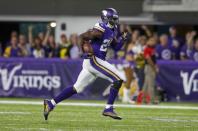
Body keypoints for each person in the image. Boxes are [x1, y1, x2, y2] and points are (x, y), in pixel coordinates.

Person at [43, 8, 128, 120]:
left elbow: (116, 47)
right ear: (106, 18)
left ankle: (50, 103)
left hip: (94, 62)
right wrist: (82, 50)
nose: (115, 20)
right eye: (113, 18)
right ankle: (108, 109)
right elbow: (82, 37)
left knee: (76, 88)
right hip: (94, 59)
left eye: (115, 18)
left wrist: (123, 39)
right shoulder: (101, 27)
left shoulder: (114, 29)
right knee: (118, 79)